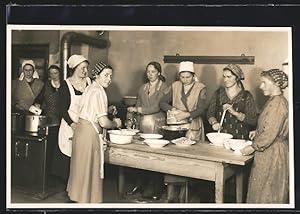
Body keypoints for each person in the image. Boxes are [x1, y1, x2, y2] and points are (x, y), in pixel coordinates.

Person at [67, 61, 122, 203]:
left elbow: (91, 111)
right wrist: (115, 123)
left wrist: (107, 110)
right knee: (89, 172)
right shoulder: (99, 91)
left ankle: (80, 201)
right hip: (89, 135)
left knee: (81, 172)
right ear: (97, 75)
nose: (109, 79)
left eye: (111, 76)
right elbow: (103, 122)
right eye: (106, 75)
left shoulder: (90, 88)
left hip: (81, 132)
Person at [160, 61, 207, 203]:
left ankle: (185, 195)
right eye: (182, 77)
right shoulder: (175, 86)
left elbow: (202, 108)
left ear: (193, 75)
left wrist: (186, 114)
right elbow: (162, 102)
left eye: (188, 77)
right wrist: (172, 109)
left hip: (193, 126)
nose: (185, 80)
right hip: (176, 127)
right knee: (174, 160)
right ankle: (172, 194)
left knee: (189, 162)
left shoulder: (201, 88)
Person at [240, 69, 289, 203]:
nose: (261, 86)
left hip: (273, 153)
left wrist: (253, 146)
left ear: (276, 84)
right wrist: (257, 131)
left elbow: (269, 134)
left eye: (264, 83)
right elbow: (270, 125)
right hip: (268, 150)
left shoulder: (278, 104)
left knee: (267, 194)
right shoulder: (274, 100)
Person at [126, 61, 168, 200]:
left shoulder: (164, 88)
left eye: (153, 72)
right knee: (142, 155)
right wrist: (134, 120)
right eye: (148, 72)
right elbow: (138, 104)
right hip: (144, 125)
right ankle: (141, 185)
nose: (150, 74)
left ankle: (157, 188)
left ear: (159, 73)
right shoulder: (142, 88)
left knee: (155, 156)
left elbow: (157, 106)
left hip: (157, 124)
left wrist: (138, 110)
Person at [54, 55, 92, 185]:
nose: (85, 71)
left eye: (86, 68)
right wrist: (72, 124)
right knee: (69, 155)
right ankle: (69, 188)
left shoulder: (90, 82)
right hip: (70, 125)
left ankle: (80, 186)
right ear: (74, 68)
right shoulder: (66, 84)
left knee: (83, 157)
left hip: (86, 124)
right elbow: (62, 109)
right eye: (82, 68)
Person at [207, 64, 257, 140]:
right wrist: (214, 122)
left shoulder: (246, 96)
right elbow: (210, 114)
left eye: (229, 77)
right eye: (224, 77)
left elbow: (252, 120)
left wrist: (235, 113)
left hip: (239, 139)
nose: (225, 80)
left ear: (237, 78)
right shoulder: (218, 93)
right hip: (221, 138)